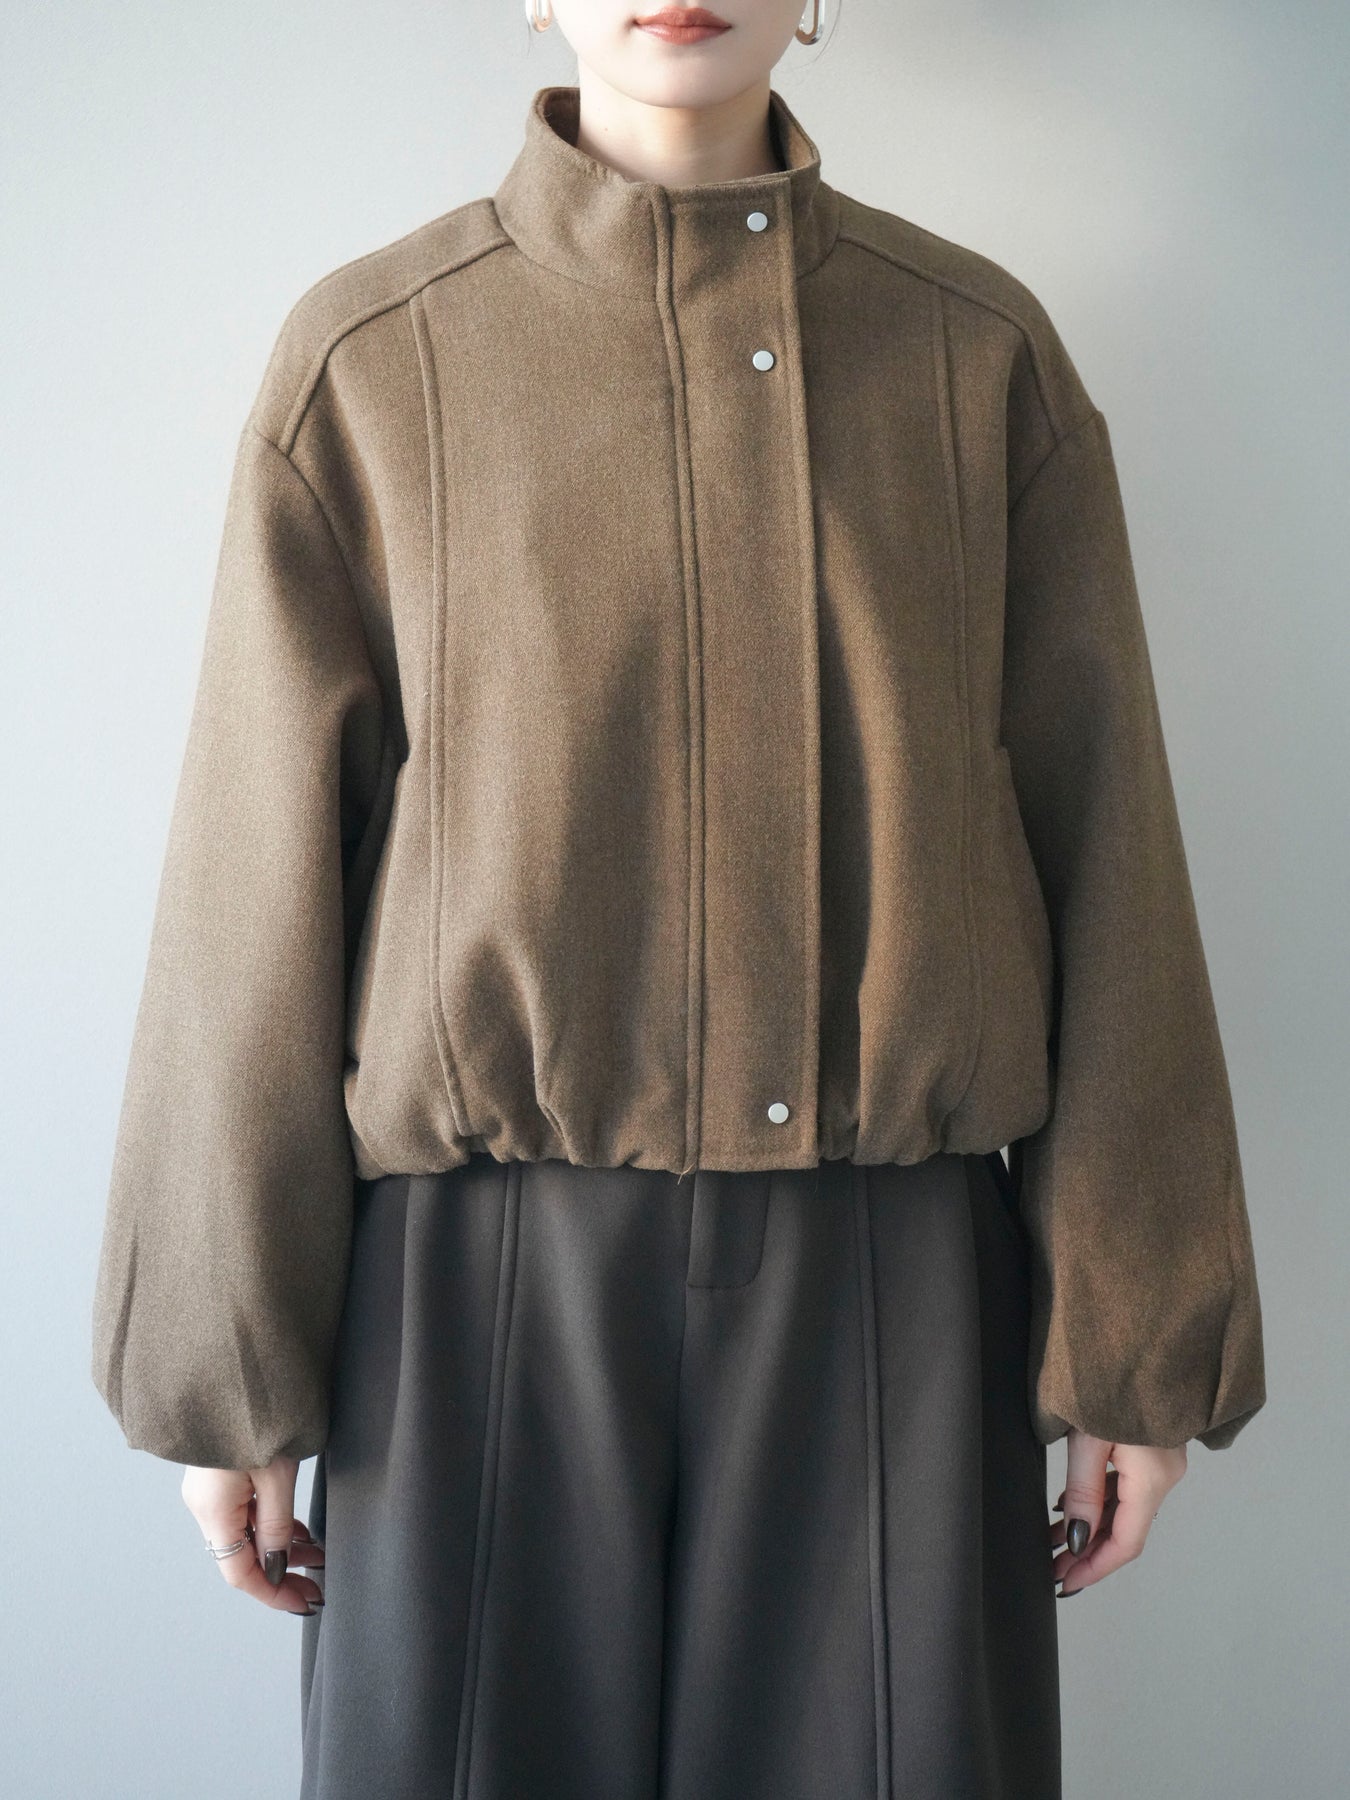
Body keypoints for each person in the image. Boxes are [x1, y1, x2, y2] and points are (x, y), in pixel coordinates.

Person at [89, 2, 1267, 1795]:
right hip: (479, 1293)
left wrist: (1134, 1335)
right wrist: (222, 1364)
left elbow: (1106, 839)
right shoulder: (380, 356)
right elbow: (253, 874)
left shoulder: (974, 354)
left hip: (892, 1281)